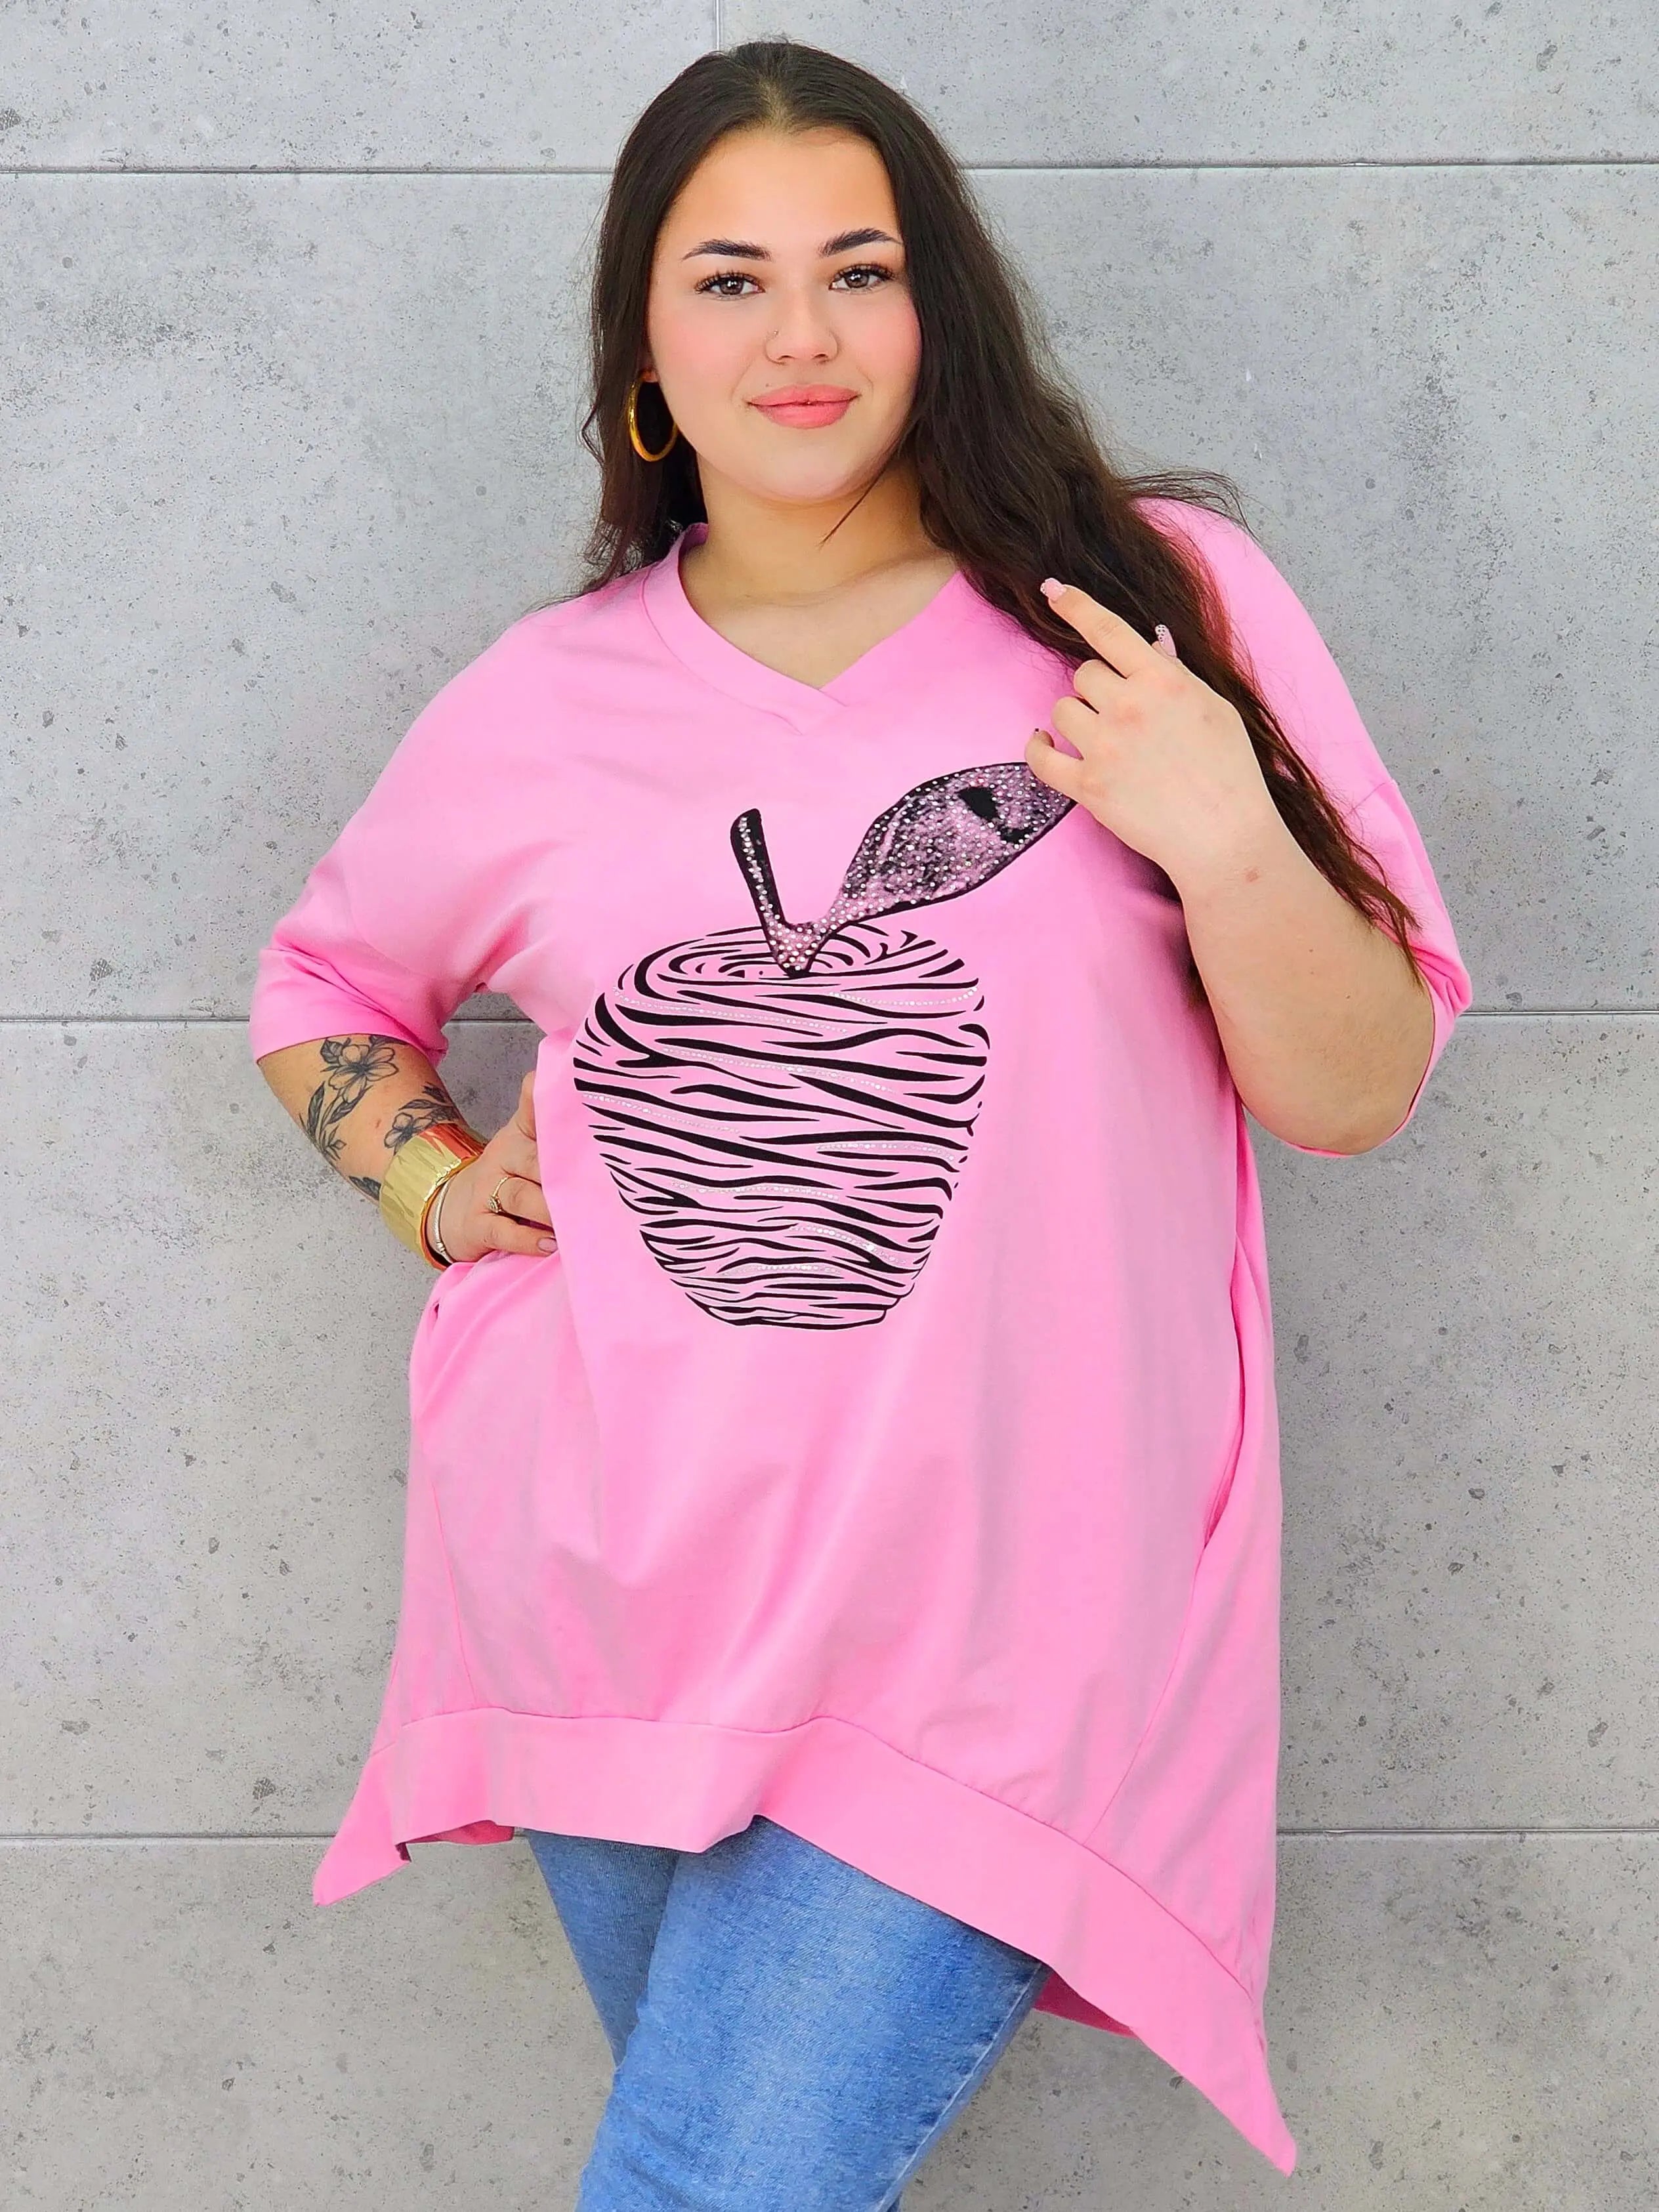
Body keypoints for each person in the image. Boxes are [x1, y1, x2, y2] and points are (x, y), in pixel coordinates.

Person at [248, 38, 1471, 2208]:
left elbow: (1356, 1087)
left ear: (938, 307)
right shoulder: (542, 701)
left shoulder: (1146, 604)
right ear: (644, 349)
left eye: (859, 269)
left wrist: (1218, 824)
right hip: (608, 1590)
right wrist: (435, 1180)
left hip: (1008, 1629)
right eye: (729, 280)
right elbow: (323, 987)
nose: (799, 334)